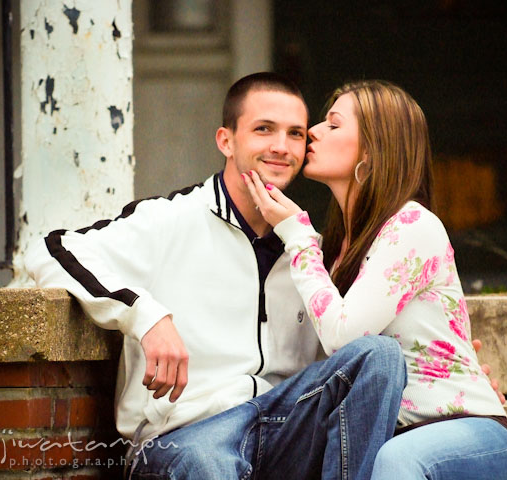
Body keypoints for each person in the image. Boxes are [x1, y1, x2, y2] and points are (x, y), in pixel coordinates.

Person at [26, 72, 409, 479]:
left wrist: (462, 390)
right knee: (208, 465)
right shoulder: (171, 218)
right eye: (264, 129)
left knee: (380, 355)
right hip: (186, 437)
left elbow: (355, 351)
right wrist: (145, 315)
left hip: (283, 431)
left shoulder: (308, 249)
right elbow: (53, 248)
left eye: (296, 134)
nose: (281, 146)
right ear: (226, 140)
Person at [243, 80, 507, 479]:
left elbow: (344, 337)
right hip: (382, 442)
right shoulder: (336, 252)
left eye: (333, 125)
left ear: (371, 153)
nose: (314, 132)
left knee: (396, 461)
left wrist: (296, 234)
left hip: (462, 434)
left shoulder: (412, 225)